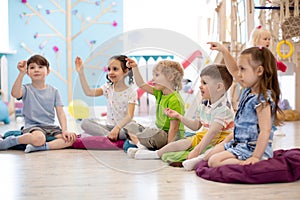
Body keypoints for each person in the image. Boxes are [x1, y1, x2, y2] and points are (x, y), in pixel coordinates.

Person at [132, 64, 235, 170]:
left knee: (213, 151)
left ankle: (198, 160)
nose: (200, 86)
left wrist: (196, 151)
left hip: (221, 139)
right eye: (200, 82)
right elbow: (196, 126)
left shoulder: (224, 109)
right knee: (180, 143)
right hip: (204, 136)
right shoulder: (204, 103)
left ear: (219, 87)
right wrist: (179, 116)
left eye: (204, 83)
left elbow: (212, 132)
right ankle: (155, 154)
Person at [204, 43, 283, 167]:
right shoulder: (248, 89)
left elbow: (265, 131)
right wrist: (224, 51)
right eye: (240, 69)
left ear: (259, 71)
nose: (239, 74)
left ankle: (248, 164)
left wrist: (256, 157)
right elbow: (234, 70)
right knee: (208, 156)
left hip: (252, 149)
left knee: (214, 161)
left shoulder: (262, 100)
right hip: (239, 143)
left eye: (243, 69)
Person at [0, 54, 77, 153]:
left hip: (50, 127)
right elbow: (15, 93)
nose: (36, 70)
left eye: (40, 67)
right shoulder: (26, 89)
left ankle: (41, 147)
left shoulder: (54, 91)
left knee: (70, 140)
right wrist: (21, 74)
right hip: (33, 126)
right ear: (28, 72)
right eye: (32, 67)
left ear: (48, 71)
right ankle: (10, 141)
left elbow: (60, 112)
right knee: (39, 138)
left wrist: (65, 130)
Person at [125, 58, 185, 157]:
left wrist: (169, 149)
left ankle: (143, 146)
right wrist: (135, 68)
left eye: (156, 75)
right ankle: (141, 146)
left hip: (171, 137)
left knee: (152, 132)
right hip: (159, 134)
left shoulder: (175, 100)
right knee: (130, 126)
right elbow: (141, 84)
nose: (153, 79)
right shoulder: (160, 93)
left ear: (170, 77)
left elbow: (174, 128)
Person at [75, 55, 137, 141]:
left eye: (115, 69)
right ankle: (109, 136)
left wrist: (117, 128)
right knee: (84, 123)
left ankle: (109, 136)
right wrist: (81, 73)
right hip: (109, 127)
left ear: (126, 71)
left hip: (123, 128)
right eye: (109, 69)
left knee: (129, 130)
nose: (111, 72)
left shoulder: (131, 92)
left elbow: (129, 116)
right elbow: (88, 92)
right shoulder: (107, 88)